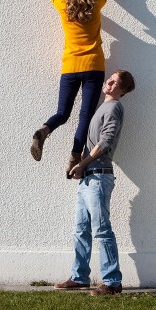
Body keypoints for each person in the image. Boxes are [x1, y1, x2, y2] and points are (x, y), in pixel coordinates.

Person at [31, 0, 112, 178]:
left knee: (62, 113)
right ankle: (74, 158)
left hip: (70, 68)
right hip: (94, 67)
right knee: (85, 116)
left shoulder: (64, 7)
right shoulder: (96, 4)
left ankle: (45, 129)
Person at [54, 70, 135, 296]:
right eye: (109, 79)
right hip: (89, 177)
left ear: (123, 90)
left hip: (99, 176)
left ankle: (112, 282)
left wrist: (84, 163)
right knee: (81, 230)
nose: (108, 83)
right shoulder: (103, 106)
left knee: (101, 230)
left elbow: (107, 140)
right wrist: (80, 165)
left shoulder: (114, 107)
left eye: (115, 82)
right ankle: (80, 278)